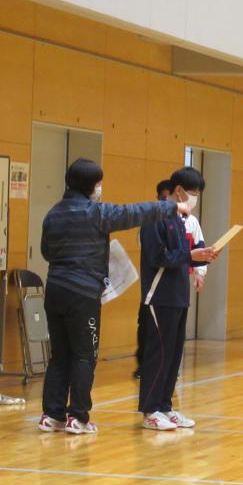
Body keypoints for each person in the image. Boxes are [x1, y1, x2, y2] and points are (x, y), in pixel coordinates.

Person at [38, 158, 185, 435]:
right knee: (84, 355)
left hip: (54, 290)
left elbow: (46, 251)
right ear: (91, 185)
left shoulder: (53, 213)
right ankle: (78, 417)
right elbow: (133, 213)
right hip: (82, 294)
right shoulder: (96, 213)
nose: (100, 188)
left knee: (60, 355)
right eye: (98, 183)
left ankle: (52, 414)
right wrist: (171, 206)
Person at [139, 167, 219, 430]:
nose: (194, 198)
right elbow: (157, 256)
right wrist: (190, 256)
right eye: (192, 193)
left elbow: (185, 255)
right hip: (159, 294)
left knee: (174, 354)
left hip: (179, 295)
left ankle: (165, 405)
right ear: (178, 190)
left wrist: (202, 257)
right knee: (158, 353)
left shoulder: (180, 218)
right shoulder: (154, 216)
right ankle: (150, 409)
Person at [134, 179, 176, 379]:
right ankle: (143, 365)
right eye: (163, 198)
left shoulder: (185, 220)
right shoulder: (151, 221)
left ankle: (167, 369)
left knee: (170, 332)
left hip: (174, 288)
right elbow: (152, 252)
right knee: (146, 326)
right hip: (152, 288)